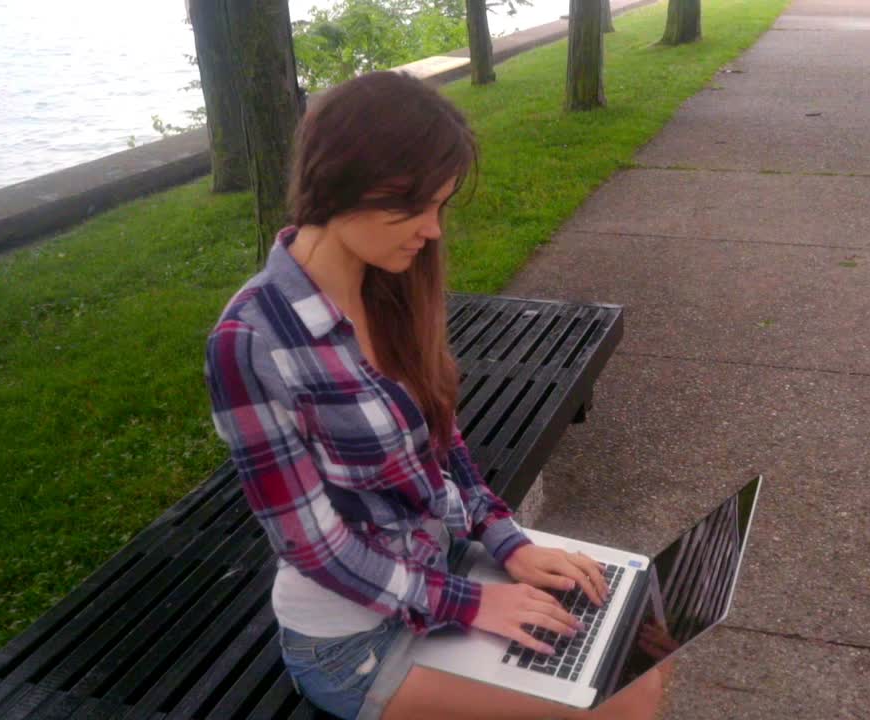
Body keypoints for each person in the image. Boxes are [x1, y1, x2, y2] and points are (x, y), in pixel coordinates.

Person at [204, 71, 665, 720]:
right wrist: (474, 603)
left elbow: (443, 443)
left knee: (641, 637)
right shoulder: (251, 341)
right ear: (341, 180)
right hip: (356, 642)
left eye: (440, 207)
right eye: (416, 206)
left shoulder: (390, 284)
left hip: (442, 569)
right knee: (626, 697)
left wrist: (509, 542)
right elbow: (313, 546)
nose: (433, 230)